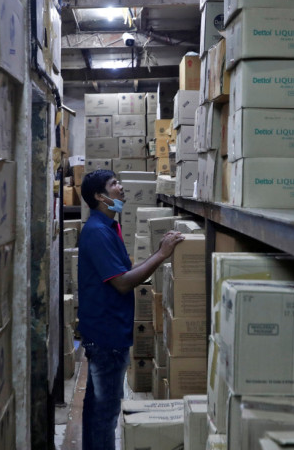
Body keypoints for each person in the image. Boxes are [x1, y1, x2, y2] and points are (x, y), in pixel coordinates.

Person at [77, 169, 184, 450]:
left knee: (97, 406)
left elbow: (124, 273)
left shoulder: (109, 226)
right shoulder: (98, 232)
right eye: (114, 185)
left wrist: (154, 257)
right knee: (105, 413)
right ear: (101, 197)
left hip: (109, 330)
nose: (121, 188)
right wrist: (161, 255)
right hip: (106, 335)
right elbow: (123, 283)